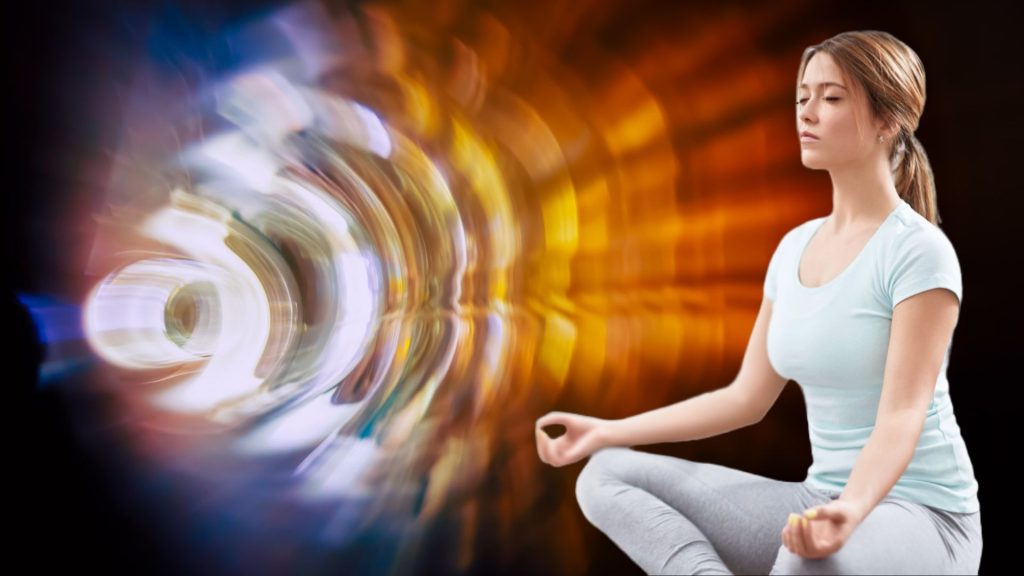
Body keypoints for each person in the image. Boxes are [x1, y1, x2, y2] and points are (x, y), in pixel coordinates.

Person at [535, 30, 982, 575]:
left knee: (805, 561)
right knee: (605, 474)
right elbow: (744, 398)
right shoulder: (794, 247)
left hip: (922, 516)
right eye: (802, 97)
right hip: (820, 501)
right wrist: (607, 430)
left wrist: (848, 511)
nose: (807, 112)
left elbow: (903, 416)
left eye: (831, 98)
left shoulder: (918, 252)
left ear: (889, 121)